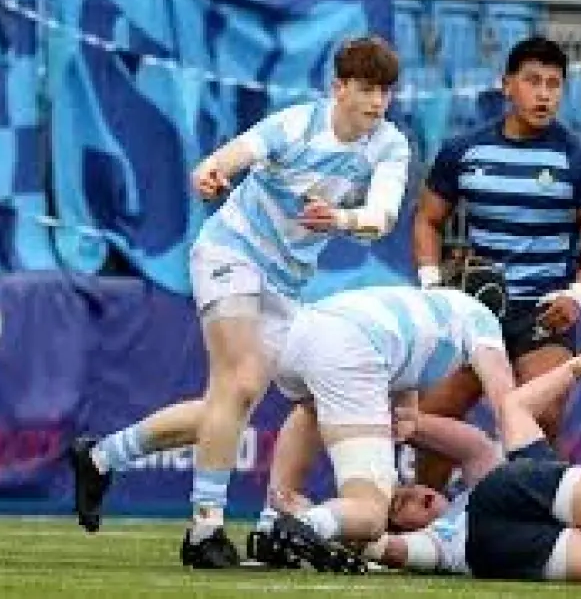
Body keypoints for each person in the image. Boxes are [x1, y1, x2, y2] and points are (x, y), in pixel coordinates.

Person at [68, 37, 411, 569]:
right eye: (366, 89)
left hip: (288, 284)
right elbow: (234, 155)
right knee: (242, 382)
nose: (376, 102)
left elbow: (384, 215)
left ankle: (102, 455)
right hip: (230, 252)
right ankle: (204, 531)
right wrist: (212, 171)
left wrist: (340, 219)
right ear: (338, 88)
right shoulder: (297, 124)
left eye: (385, 92)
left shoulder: (389, 145)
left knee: (225, 408)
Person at [68, 262, 512, 567]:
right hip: (351, 345)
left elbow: (404, 409)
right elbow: (506, 399)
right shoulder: (481, 322)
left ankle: (104, 455)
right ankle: (298, 523)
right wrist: (541, 473)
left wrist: (403, 426)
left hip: (308, 325)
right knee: (369, 513)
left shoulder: (429, 309)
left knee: (230, 408)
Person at [263, 344, 581, 589]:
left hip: (508, 532)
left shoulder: (467, 495)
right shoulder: (433, 540)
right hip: (499, 532)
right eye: (407, 503)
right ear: (398, 519)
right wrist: (572, 369)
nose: (420, 494)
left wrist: (415, 426)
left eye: (412, 488)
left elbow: (477, 439)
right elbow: (375, 540)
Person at [411, 36, 581, 486]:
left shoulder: (580, 162)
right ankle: (422, 519)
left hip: (543, 313)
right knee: (430, 422)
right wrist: (431, 288)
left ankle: (534, 529)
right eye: (532, 81)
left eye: (554, 84)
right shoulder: (463, 152)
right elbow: (427, 220)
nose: (544, 94)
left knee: (540, 418)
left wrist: (578, 294)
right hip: (474, 309)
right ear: (507, 85)